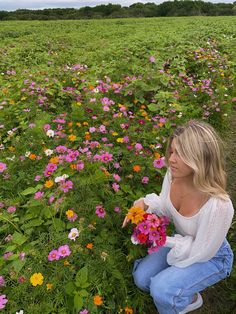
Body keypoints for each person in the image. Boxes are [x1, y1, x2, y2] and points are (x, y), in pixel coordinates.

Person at [122, 119, 234, 314]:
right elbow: (165, 206)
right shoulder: (175, 175)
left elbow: (200, 252)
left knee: (161, 288)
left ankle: (175, 298)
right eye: (172, 151)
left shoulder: (218, 206)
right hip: (183, 242)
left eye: (180, 154)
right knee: (142, 278)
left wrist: (160, 238)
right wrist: (145, 204)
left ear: (200, 158)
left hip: (210, 255)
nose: (171, 159)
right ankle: (188, 295)